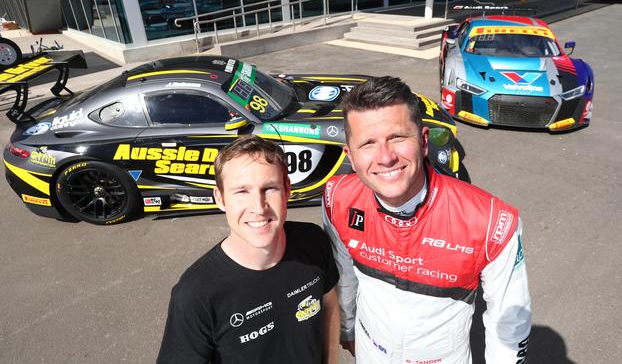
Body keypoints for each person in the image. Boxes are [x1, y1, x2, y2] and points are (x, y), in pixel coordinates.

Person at [322, 76, 531, 363]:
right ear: (351, 155)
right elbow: (344, 274)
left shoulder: (492, 222)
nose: (385, 157)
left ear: (422, 142)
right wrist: (347, 329)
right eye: (368, 143)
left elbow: (509, 325)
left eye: (396, 137)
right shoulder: (337, 197)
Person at [158, 135, 340, 364]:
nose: (258, 207)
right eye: (242, 192)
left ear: (287, 190)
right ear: (220, 198)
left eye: (270, 188)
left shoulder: (313, 240)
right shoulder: (195, 294)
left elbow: (329, 305)